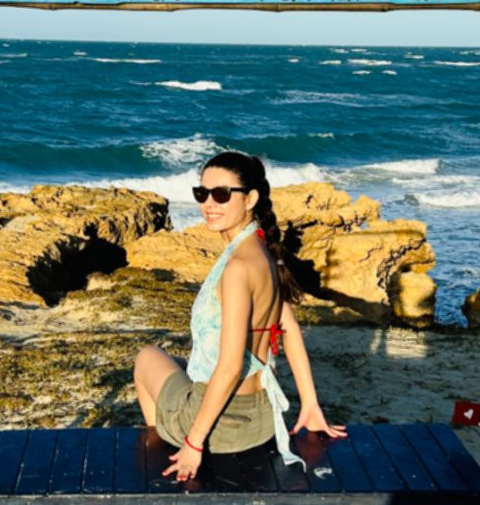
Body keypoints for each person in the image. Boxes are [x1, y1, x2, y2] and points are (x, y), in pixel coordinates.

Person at [132, 151, 346, 482]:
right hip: (260, 421)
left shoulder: (237, 268)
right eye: (202, 193)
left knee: (147, 357)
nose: (209, 204)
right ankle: (173, 436)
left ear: (250, 199)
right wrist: (309, 403)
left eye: (221, 194)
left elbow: (231, 366)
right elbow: (288, 327)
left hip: (220, 431)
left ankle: (166, 447)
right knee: (177, 363)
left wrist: (194, 443)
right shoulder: (264, 251)